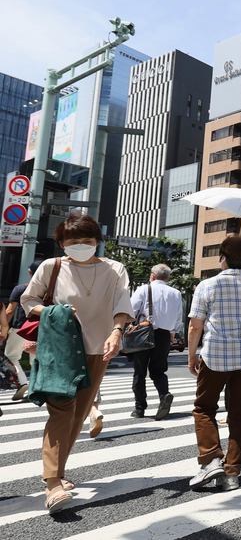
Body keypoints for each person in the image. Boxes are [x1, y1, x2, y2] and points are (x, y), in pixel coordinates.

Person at [22, 212, 133, 513]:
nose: (81, 246)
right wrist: (50, 312)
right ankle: (52, 483)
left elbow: (122, 304)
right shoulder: (51, 266)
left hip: (98, 348)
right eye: (73, 242)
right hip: (59, 349)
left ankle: (58, 472)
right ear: (62, 244)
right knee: (61, 411)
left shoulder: (115, 269)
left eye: (87, 241)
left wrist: (116, 332)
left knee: (79, 413)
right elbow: (29, 301)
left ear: (97, 241)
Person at [187, 236, 241, 492]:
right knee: (240, 413)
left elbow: (195, 325)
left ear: (223, 257)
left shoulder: (208, 285)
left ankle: (211, 459)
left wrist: (191, 356)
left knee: (204, 408)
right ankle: (232, 472)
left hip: (215, 356)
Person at [128, 264, 183, 420]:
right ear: (167, 277)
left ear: (152, 275)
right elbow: (179, 317)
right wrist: (173, 333)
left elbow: (131, 310)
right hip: (165, 335)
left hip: (144, 333)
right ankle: (164, 395)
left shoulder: (144, 289)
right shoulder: (176, 293)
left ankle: (139, 408)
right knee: (159, 371)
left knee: (139, 372)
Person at [3, 259, 41, 401]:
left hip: (21, 328)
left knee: (11, 356)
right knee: (36, 360)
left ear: (30, 272)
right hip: (42, 330)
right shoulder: (51, 290)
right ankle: (35, 389)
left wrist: (3, 329)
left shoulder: (20, 289)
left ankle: (22, 382)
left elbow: (9, 311)